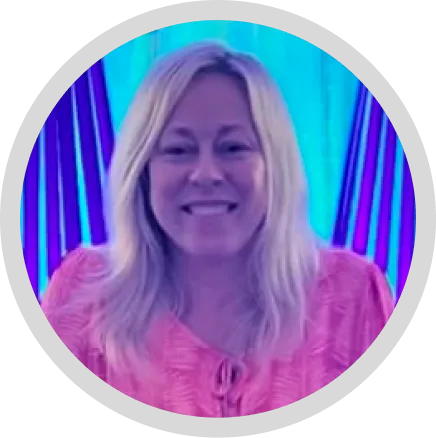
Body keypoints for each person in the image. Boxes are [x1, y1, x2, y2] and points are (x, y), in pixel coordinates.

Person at [40, 41, 394, 417]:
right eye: (178, 150)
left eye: (233, 147)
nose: (206, 174)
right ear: (141, 172)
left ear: (276, 166)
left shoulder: (355, 297)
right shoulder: (81, 296)